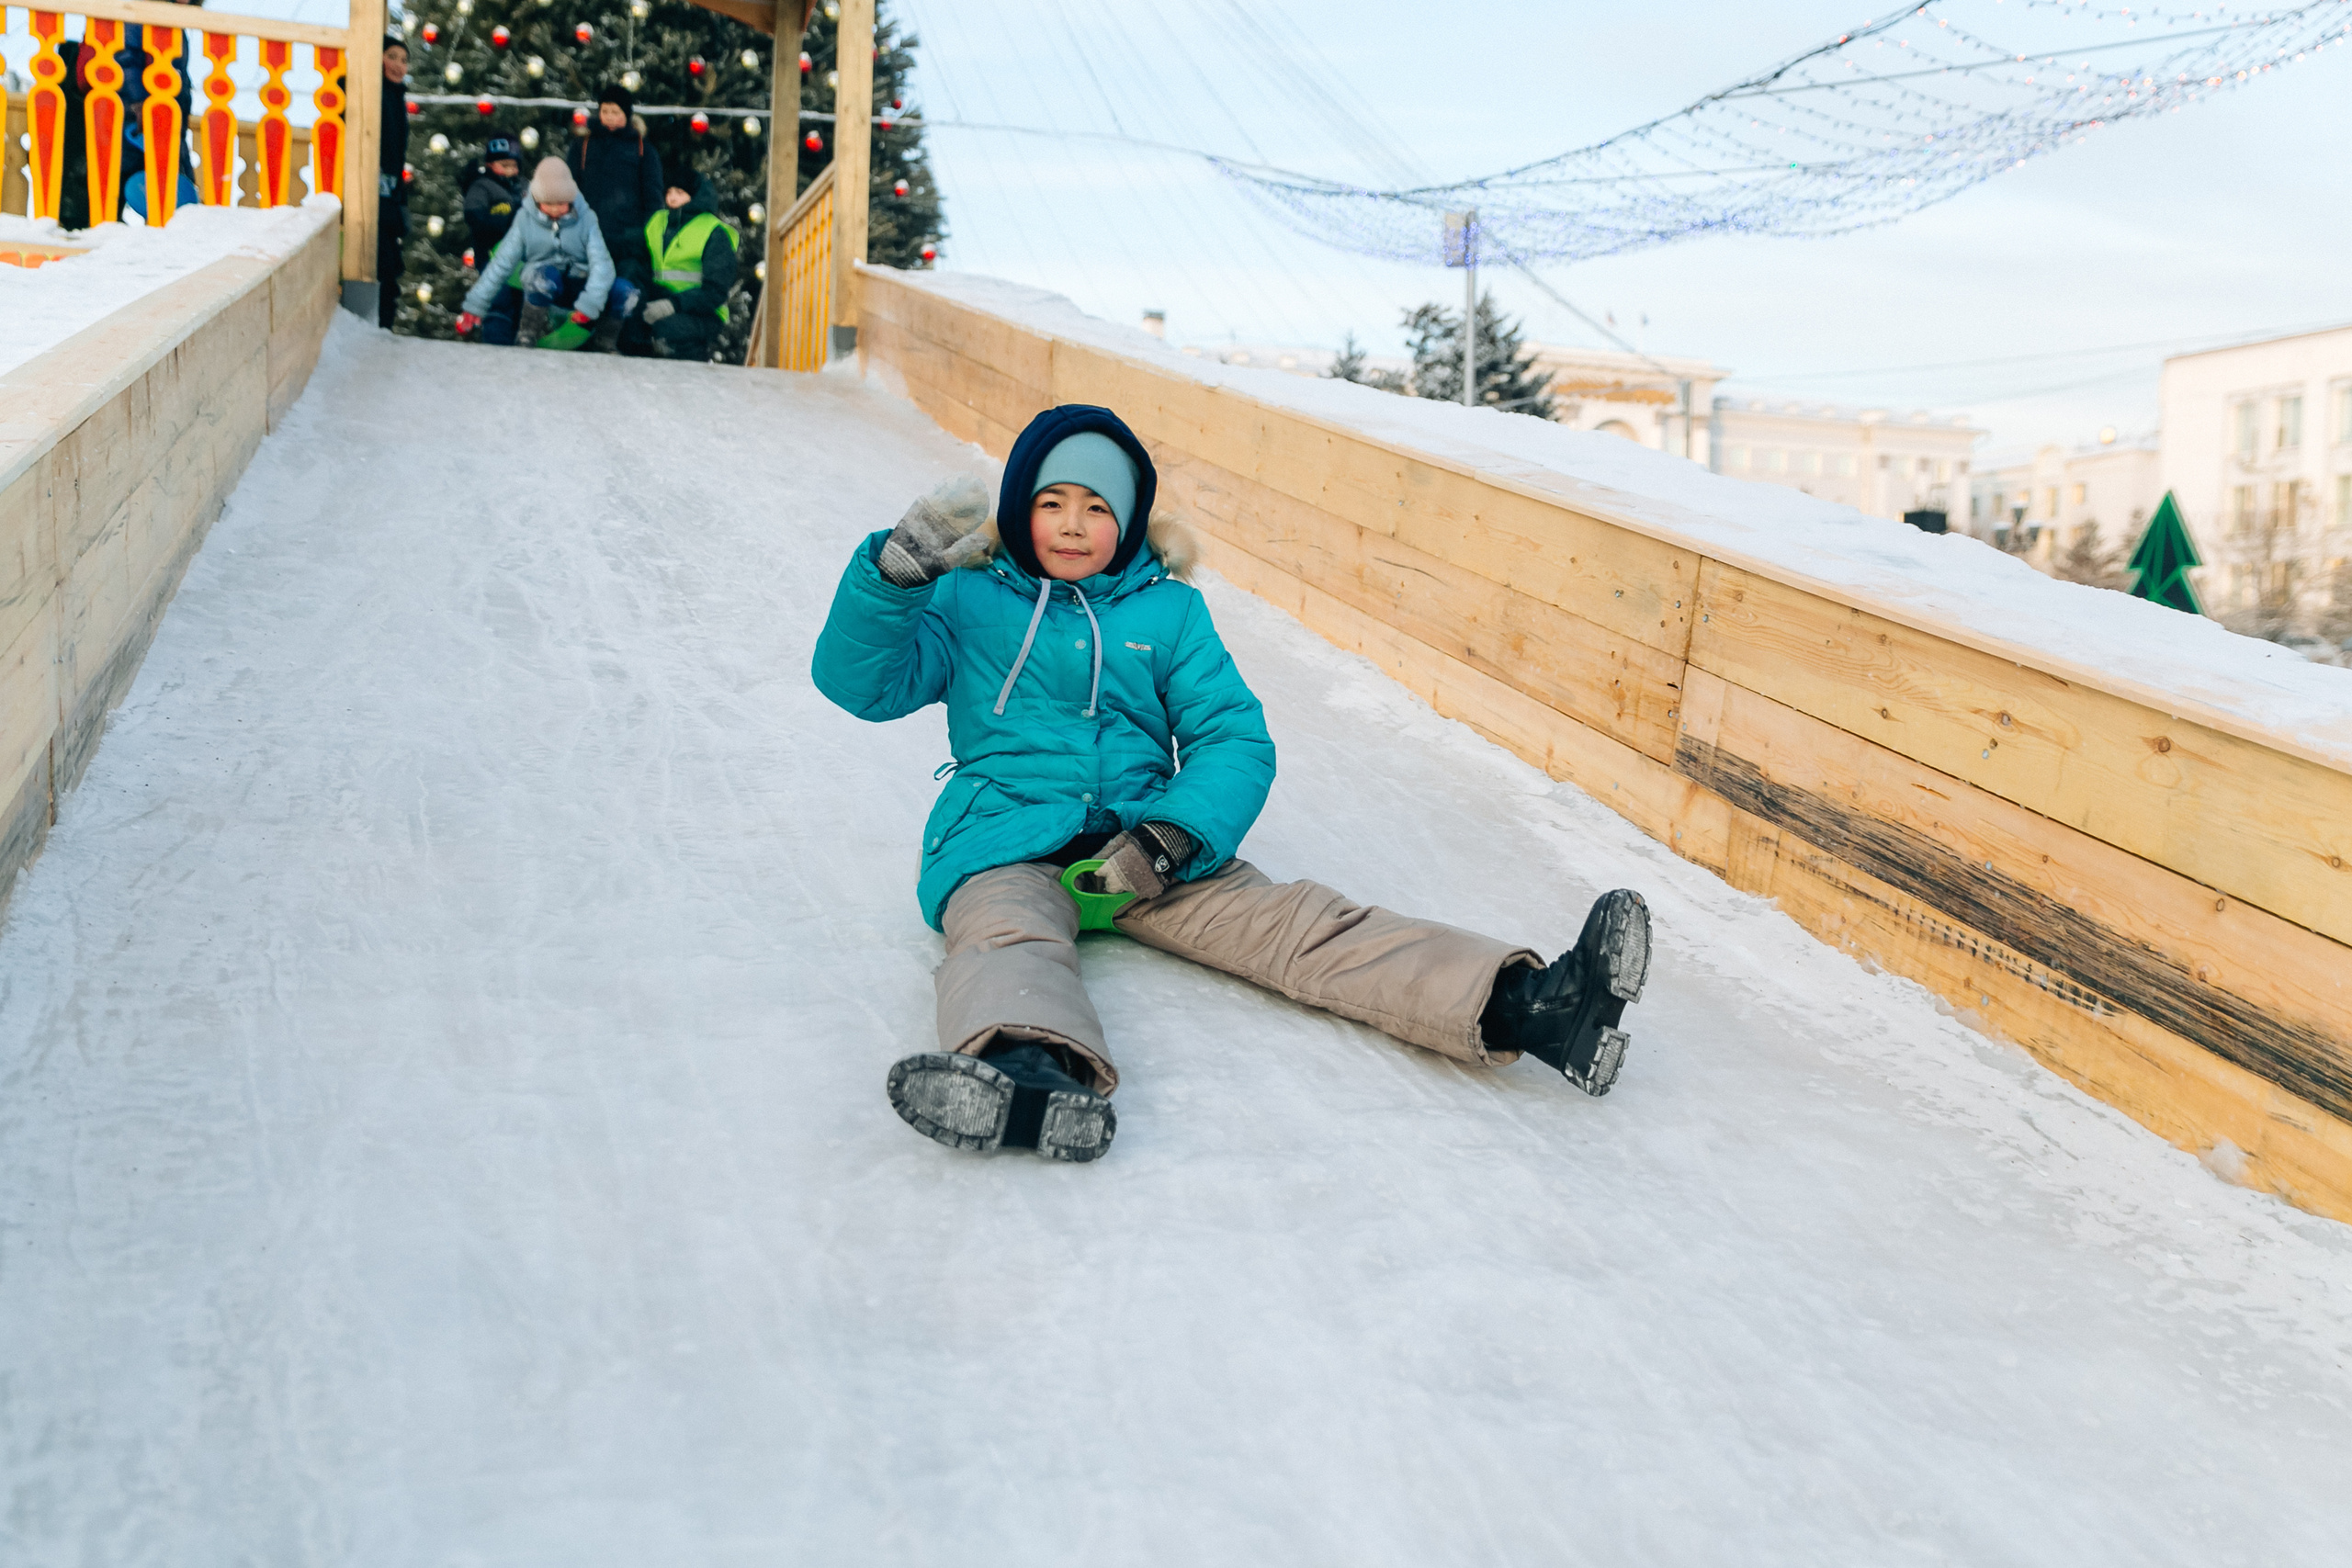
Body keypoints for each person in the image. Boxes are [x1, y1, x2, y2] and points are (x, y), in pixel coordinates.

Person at [811, 405, 1655, 1163]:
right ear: (1019, 506)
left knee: (1303, 925)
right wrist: (892, 579)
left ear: (1131, 519)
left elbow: (1232, 738)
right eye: (1052, 502)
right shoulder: (964, 599)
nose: (1074, 525)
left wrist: (1175, 835)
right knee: (1005, 938)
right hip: (1002, 837)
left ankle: (1533, 1005)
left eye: (1099, 507)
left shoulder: (1168, 611)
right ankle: (1027, 1071)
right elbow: (861, 686)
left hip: (1145, 845)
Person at [453, 158, 639, 350]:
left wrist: (590, 303)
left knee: (625, 291)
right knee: (542, 277)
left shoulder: (586, 220)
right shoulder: (525, 220)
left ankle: (604, 342)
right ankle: (528, 335)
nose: (555, 210)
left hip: (579, 284)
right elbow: (501, 264)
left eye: (561, 204)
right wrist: (475, 305)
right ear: (537, 200)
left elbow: (602, 265)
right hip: (544, 283)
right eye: (548, 204)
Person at [637, 173, 740, 361]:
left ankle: (690, 378)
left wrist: (673, 305)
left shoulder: (713, 232)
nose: (672, 197)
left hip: (703, 312)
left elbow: (715, 291)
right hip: (659, 299)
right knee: (633, 324)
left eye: (680, 192)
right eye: (669, 191)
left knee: (667, 331)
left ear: (695, 196)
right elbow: (640, 260)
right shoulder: (657, 222)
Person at [567, 84, 664, 279]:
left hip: (627, 239)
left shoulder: (643, 149)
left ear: (627, 114)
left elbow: (653, 195)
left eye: (615, 112)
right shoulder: (583, 146)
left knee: (622, 290)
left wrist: (642, 233)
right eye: (605, 111)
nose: (609, 117)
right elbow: (569, 187)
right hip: (588, 234)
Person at [378, 36, 411, 329]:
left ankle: (385, 323)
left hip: (390, 192)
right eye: (392, 56)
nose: (398, 65)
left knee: (390, 262)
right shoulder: (373, 91)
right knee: (381, 260)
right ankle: (378, 323)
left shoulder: (398, 97)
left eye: (403, 59)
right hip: (373, 190)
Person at [461, 136, 527, 257]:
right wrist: (506, 220)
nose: (511, 170)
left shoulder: (522, 185)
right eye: (505, 165)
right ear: (490, 165)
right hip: (492, 251)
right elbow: (474, 216)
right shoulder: (481, 186)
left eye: (514, 165)